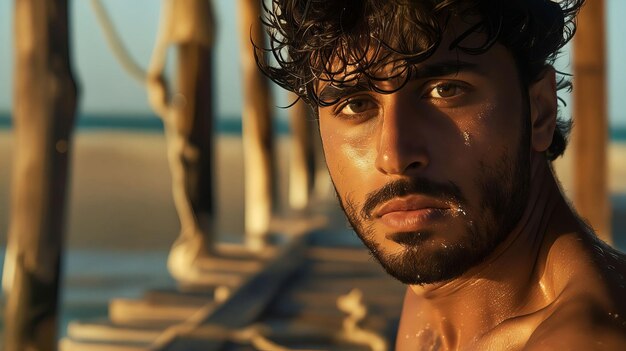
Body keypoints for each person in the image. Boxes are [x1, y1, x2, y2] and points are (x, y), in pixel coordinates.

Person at [257, 0, 626, 349]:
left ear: (540, 111)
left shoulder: (584, 339)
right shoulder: (439, 287)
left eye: (445, 90)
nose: (395, 155)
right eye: (356, 104)